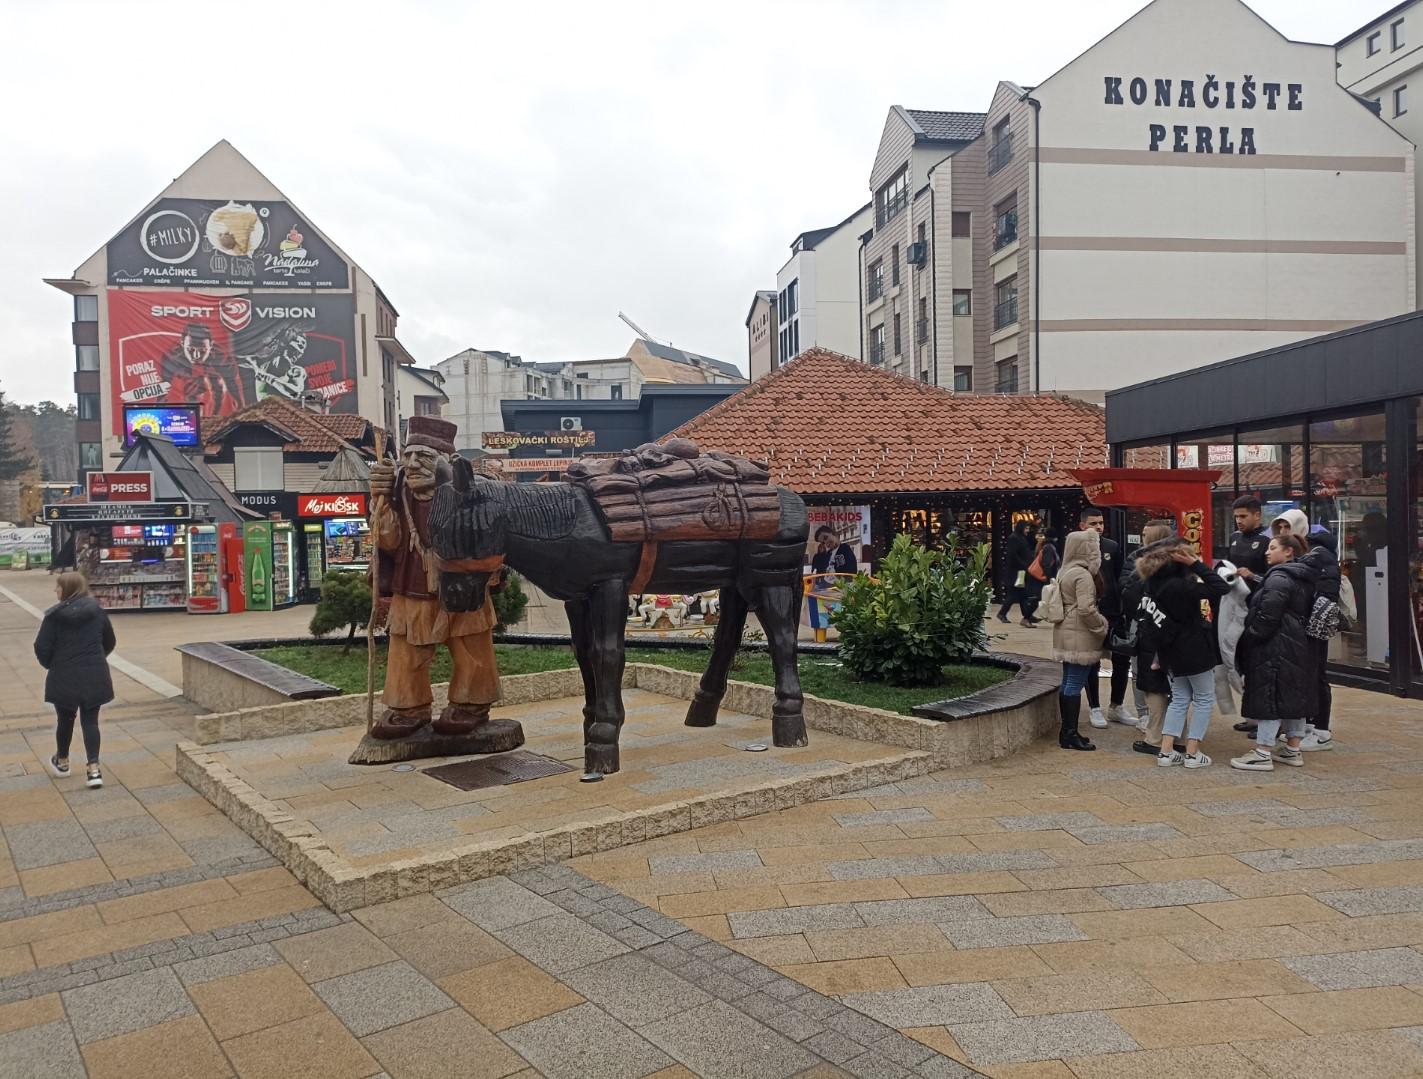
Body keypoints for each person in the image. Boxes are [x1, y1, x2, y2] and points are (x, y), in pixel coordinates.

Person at [368, 415, 501, 740]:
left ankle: (472, 705)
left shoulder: (469, 489)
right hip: (411, 586)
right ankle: (407, 708)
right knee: (405, 650)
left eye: (423, 457)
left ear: (445, 461)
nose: (412, 464)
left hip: (463, 585)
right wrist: (379, 503)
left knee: (472, 648)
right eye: (408, 455)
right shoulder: (397, 491)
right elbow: (389, 542)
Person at [1138, 537, 1230, 768]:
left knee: (1179, 699)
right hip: (1194, 649)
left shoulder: (1152, 584)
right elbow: (1221, 587)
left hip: (1169, 650)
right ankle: (1192, 752)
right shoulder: (1182, 585)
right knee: (1203, 699)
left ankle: (1166, 751)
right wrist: (1196, 565)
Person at [1231, 533, 1318, 771]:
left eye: (1272, 547)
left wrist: (1251, 636)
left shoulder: (1279, 577)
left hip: (1274, 645)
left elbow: (1268, 616)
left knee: (1268, 694)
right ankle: (1292, 749)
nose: (1267, 552)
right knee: (1292, 694)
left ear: (1288, 551)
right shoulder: (1302, 576)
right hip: (1296, 643)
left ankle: (1263, 751)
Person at [33, 572, 115, 789]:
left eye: (58, 587)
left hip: (64, 674)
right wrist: (96, 658)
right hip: (94, 673)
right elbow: (110, 641)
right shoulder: (97, 612)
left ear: (67, 589)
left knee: (65, 719)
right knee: (90, 720)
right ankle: (94, 769)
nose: (55, 591)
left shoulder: (54, 617)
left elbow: (41, 647)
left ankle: (62, 762)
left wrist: (53, 664)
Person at [1274, 509, 1340, 752]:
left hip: (1314, 622)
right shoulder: (1302, 555)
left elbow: (1323, 588)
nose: (1283, 533)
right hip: (1300, 622)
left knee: (1317, 674)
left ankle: (1321, 730)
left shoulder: (1317, 554)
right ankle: (1308, 725)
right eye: (1279, 528)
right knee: (1305, 674)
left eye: (1287, 528)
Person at [1120, 521, 1181, 756]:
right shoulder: (1183, 564)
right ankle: (1179, 736)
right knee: (1179, 688)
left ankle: (1155, 737)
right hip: (1179, 634)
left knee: (1154, 686)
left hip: (1153, 632)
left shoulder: (1143, 566)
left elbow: (1129, 595)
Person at [1051, 529, 1109, 751]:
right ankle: (1070, 734)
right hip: (1081, 633)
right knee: (1074, 683)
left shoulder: (1066, 571)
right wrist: (1101, 626)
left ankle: (1067, 731)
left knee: (1068, 681)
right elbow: (1086, 609)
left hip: (1066, 630)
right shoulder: (1083, 575)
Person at [1079, 507, 1134, 729]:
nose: (1099, 527)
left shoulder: (1112, 546)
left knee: (1122, 659)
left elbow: (1121, 577)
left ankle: (1117, 706)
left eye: (1101, 523)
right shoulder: (1075, 548)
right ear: (1082, 525)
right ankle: (1094, 708)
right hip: (1090, 612)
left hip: (1114, 612)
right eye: (1093, 523)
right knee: (1092, 660)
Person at [1229, 495, 1273, 736]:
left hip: (1258, 608)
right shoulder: (1234, 538)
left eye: (1243, 516)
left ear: (1258, 515)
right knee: (1241, 663)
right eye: (1236, 516)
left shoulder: (1267, 541)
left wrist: (1252, 576)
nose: (1239, 521)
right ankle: (1250, 715)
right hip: (1236, 608)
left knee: (1258, 665)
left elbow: (1274, 578)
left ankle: (1263, 719)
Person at [809, 526, 857, 641]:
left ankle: (843, 629)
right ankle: (820, 627)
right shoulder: (828, 554)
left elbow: (849, 571)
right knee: (811, 598)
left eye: (826, 538)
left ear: (833, 533)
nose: (826, 543)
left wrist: (837, 579)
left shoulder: (844, 549)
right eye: (823, 542)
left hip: (841, 588)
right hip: (829, 588)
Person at [998, 520, 1037, 625]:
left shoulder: (1021, 538)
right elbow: (1013, 555)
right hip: (1016, 572)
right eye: (1026, 528)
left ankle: (1026, 615)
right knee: (1014, 594)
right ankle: (1002, 613)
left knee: (1022, 594)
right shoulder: (1014, 538)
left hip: (1021, 571)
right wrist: (1024, 565)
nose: (1028, 531)